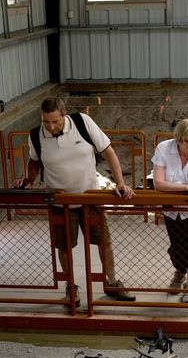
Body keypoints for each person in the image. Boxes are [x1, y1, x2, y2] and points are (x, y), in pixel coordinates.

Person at [15, 97, 135, 303]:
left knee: (104, 242)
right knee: (64, 247)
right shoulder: (36, 135)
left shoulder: (83, 123)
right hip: (61, 202)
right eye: (46, 122)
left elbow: (108, 152)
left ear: (64, 115)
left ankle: (112, 283)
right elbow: (34, 161)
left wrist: (120, 183)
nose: (51, 126)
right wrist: (29, 180)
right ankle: (71, 286)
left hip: (90, 197)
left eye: (56, 121)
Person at [152, 118, 188, 304]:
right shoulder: (163, 148)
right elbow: (158, 183)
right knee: (177, 246)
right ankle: (179, 271)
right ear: (179, 139)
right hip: (173, 208)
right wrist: (187, 187)